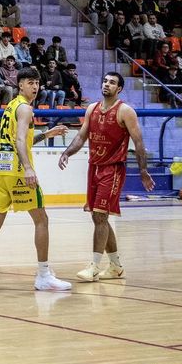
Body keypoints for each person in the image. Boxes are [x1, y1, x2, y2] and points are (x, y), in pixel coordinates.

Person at [0, 67, 72, 291]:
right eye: (30, 82)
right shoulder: (25, 108)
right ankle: (43, 275)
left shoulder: (11, 107)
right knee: (42, 220)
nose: (35, 86)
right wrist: (28, 168)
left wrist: (46, 134)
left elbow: (19, 139)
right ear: (20, 85)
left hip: (0, 171)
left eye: (37, 83)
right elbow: (20, 140)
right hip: (18, 172)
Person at [56, 72, 153, 282]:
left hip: (113, 168)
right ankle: (116, 266)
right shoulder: (92, 108)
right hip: (94, 167)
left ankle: (94, 266)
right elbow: (82, 136)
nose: (107, 84)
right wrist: (67, 152)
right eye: (105, 81)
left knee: (100, 216)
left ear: (119, 89)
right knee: (97, 216)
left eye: (112, 82)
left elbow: (138, 142)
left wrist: (143, 171)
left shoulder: (125, 111)